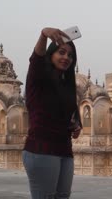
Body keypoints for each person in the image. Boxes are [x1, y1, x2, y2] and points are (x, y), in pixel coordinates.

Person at [22, 27, 82, 199]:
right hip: (41, 150)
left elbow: (63, 116)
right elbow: (36, 59)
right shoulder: (39, 79)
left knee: (63, 196)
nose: (66, 58)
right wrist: (43, 34)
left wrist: (74, 126)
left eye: (70, 55)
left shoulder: (66, 86)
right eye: (61, 52)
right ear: (51, 54)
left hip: (64, 150)